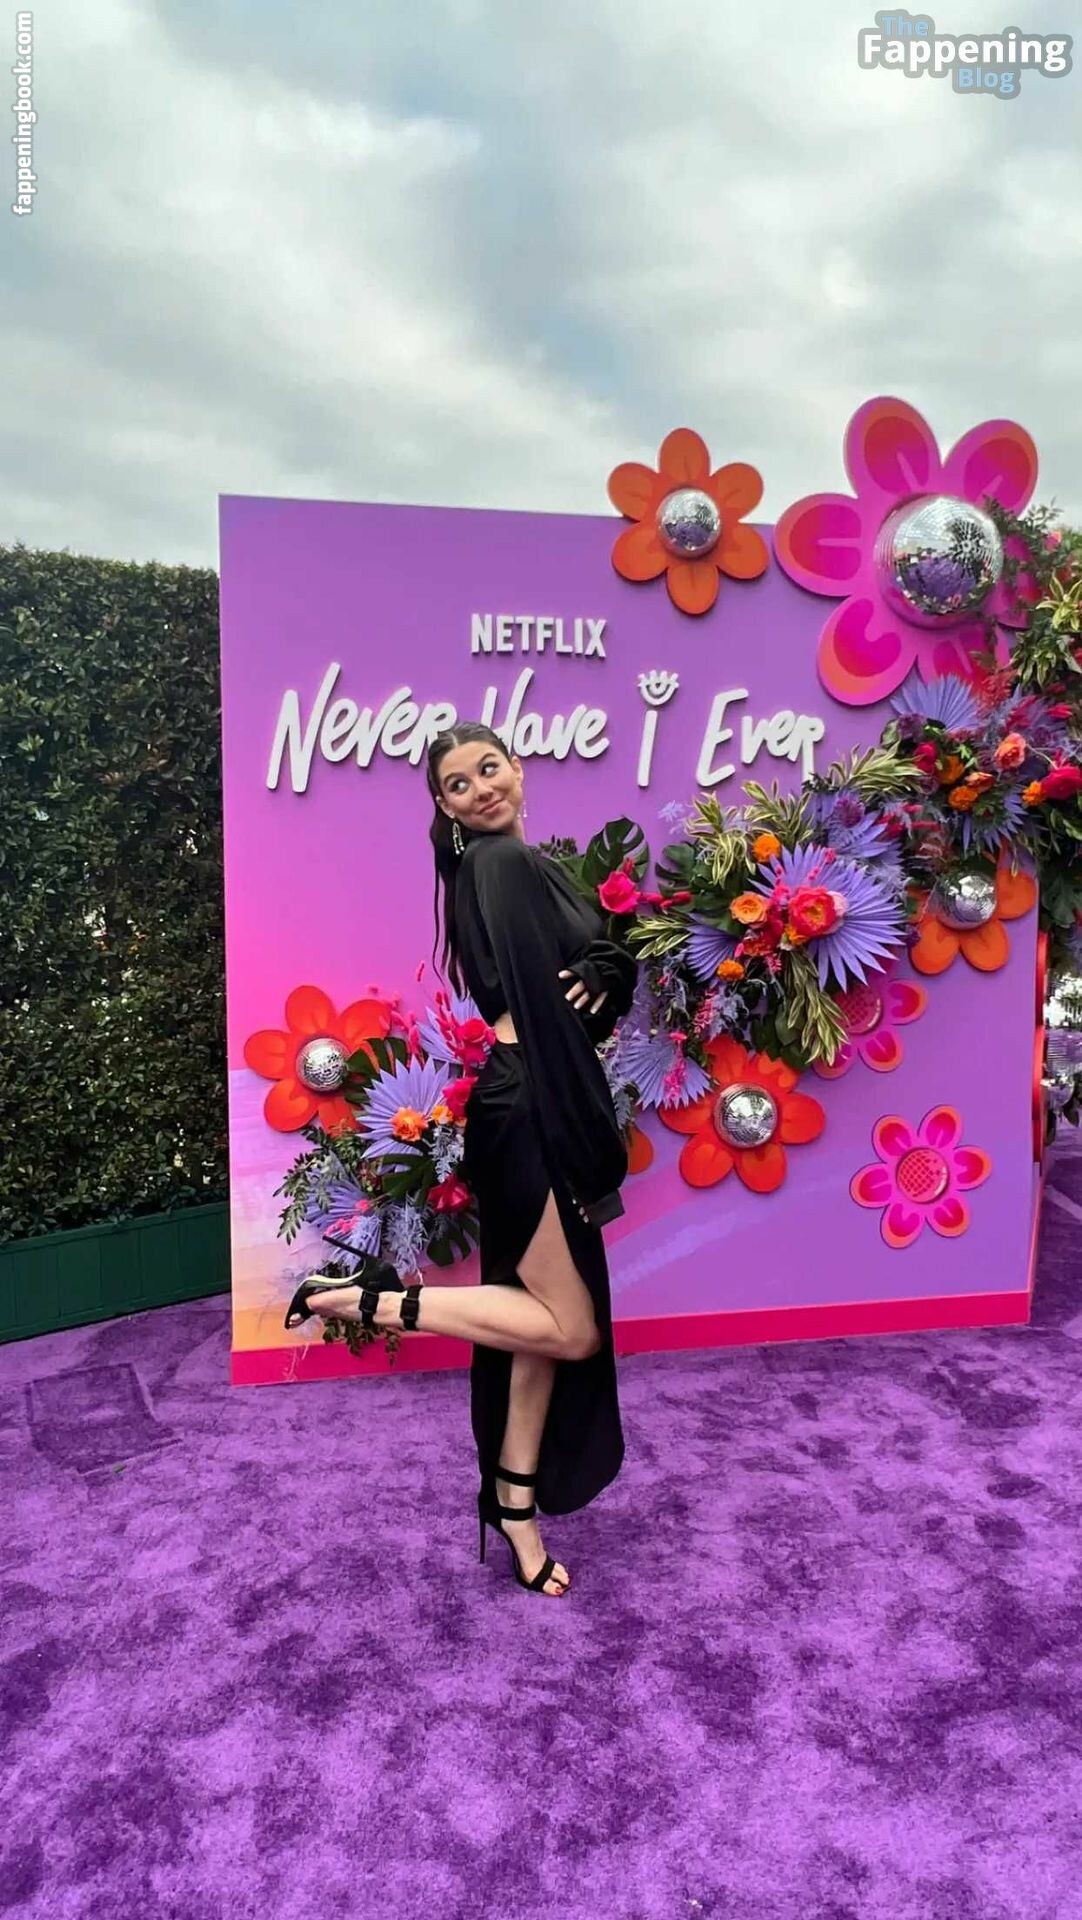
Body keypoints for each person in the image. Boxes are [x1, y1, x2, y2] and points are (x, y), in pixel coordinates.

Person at [296, 721, 638, 1597]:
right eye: (458, 783)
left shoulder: (511, 866)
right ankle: (370, 1301)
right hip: (534, 1109)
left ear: (517, 769)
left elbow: (573, 993)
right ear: (445, 808)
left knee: (536, 1332)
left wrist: (609, 961)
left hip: (523, 1098)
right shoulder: (503, 862)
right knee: (571, 1329)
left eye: (489, 769)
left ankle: (514, 1508)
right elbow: (541, 1012)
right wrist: (586, 1137)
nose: (481, 788)